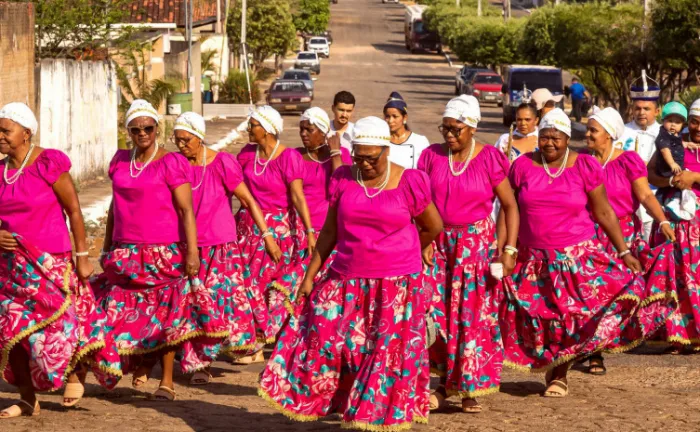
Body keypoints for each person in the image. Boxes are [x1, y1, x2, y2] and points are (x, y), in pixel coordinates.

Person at [258, 116, 443, 431]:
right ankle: (345, 403)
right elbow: (330, 232)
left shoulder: (410, 180)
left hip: (395, 284)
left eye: (371, 157)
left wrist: (404, 252)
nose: (364, 164)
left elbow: (433, 225)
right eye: (358, 156)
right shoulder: (344, 178)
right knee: (333, 342)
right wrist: (308, 277)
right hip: (346, 279)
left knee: (384, 353)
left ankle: (371, 415)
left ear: (386, 150)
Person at [499, 108, 646, 397]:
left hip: (574, 258)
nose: (549, 143)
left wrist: (624, 250)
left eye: (556, 138)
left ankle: (560, 374)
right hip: (532, 258)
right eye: (544, 137)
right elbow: (508, 209)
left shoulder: (585, 166)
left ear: (567, 139)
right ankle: (549, 365)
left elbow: (603, 211)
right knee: (538, 317)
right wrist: (506, 248)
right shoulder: (522, 166)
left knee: (568, 316)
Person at [0, 103, 121, 417]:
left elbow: (75, 211)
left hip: (52, 262)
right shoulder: (0, 172)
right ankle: (27, 398)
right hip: (12, 268)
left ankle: (74, 372)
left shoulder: (47, 164)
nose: (0, 136)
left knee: (62, 324)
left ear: (26, 133)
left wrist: (82, 256)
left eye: (5, 130)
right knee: (11, 331)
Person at [93, 99, 202, 401]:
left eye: (148, 128)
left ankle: (165, 381)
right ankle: (141, 360)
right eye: (136, 128)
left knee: (168, 316)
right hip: (125, 250)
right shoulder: (119, 161)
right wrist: (105, 246)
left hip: (163, 252)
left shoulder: (171, 162)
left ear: (157, 128)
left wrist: (191, 253)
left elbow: (186, 210)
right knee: (118, 312)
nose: (142, 133)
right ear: (127, 130)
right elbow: (115, 206)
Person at [419, 95, 519, 413]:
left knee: (470, 318)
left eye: (455, 129)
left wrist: (509, 249)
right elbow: (418, 201)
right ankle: (442, 382)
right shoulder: (431, 156)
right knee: (434, 314)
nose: (449, 134)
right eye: (445, 128)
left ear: (472, 127)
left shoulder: (489, 158)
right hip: (438, 243)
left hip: (474, 245)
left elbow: (510, 205)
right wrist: (423, 240)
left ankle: (468, 389)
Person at [171, 112, 279, 385]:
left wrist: (266, 236)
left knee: (218, 305)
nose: (181, 145)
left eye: (186, 140)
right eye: (177, 140)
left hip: (221, 247)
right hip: (187, 246)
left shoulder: (222, 164)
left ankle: (210, 358)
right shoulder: (176, 165)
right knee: (192, 306)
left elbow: (248, 200)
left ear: (199, 136)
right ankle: (199, 364)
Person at [584, 106, 677, 374]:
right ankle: (591, 351)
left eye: (593, 130)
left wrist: (662, 220)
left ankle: (599, 347)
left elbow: (646, 196)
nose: (588, 134)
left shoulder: (627, 161)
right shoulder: (582, 162)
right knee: (589, 295)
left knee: (613, 295)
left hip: (621, 237)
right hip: (587, 235)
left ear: (609, 135)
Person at [235, 105, 315, 364]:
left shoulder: (288, 157)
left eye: (253, 125)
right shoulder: (247, 154)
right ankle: (252, 344)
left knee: (273, 289)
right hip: (249, 230)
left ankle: (265, 342)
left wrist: (310, 232)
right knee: (249, 286)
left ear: (268, 129)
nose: (249, 129)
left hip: (281, 231)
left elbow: (297, 197)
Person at [647, 98, 700, 354]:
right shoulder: (673, 139)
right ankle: (677, 336)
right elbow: (651, 174)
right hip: (673, 218)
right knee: (674, 276)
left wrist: (694, 177)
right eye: (694, 122)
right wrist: (671, 183)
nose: (698, 128)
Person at [295, 107, 351, 275]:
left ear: (323, 132)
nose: (303, 133)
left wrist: (335, 153)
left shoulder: (342, 155)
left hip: (329, 228)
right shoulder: (294, 156)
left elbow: (341, 186)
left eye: (309, 130)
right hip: (301, 228)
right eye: (301, 129)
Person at [619, 74, 662, 240]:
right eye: (637, 108)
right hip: (627, 201)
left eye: (646, 109)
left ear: (657, 111)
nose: (641, 112)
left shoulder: (665, 134)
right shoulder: (621, 132)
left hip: (657, 199)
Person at [384, 91, 430, 169]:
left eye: (395, 116)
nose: (390, 121)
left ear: (404, 118)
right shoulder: (382, 141)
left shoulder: (420, 141)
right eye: (387, 116)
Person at [655, 102, 688, 178]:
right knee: (680, 182)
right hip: (668, 169)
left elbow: (678, 143)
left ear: (682, 124)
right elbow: (665, 150)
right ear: (663, 121)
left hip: (677, 166)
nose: (673, 124)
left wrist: (688, 144)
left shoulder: (676, 134)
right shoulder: (664, 135)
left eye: (677, 122)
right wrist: (672, 163)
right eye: (670, 121)